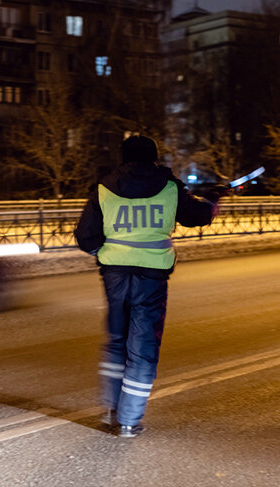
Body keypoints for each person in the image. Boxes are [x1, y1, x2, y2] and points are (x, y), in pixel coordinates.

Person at [74, 135, 225, 438]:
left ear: (123, 157)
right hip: (152, 276)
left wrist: (106, 253)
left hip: (114, 273)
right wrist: (213, 200)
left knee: (117, 340)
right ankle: (129, 421)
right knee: (142, 347)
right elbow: (196, 217)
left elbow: (85, 237)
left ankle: (112, 410)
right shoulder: (170, 187)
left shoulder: (104, 187)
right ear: (154, 157)